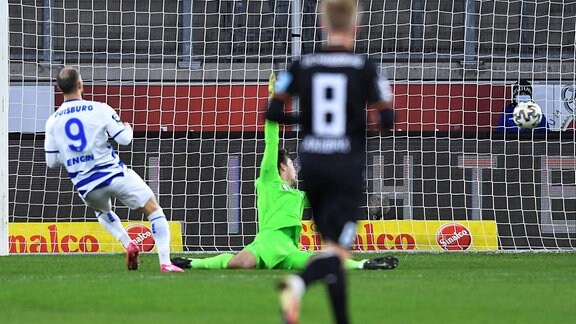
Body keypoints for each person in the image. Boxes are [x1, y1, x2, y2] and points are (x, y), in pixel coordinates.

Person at [170, 73, 398, 272]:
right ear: (281, 166)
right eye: (291, 163)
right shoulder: (268, 179)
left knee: (323, 260)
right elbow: (272, 142)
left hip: (290, 250)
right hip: (267, 243)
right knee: (238, 264)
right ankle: (194, 262)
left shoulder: (298, 195)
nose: (295, 168)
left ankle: (365, 264)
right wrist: (274, 99)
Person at [265, 0, 395, 323]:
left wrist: (307, 121)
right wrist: (358, 127)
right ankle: (297, 284)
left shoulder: (301, 64)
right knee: (337, 253)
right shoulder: (366, 66)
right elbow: (388, 117)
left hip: (314, 166)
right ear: (356, 26)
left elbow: (273, 112)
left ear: (322, 25)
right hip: (345, 166)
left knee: (330, 249)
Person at [44, 67, 183, 273]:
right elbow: (124, 140)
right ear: (81, 85)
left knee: (102, 212)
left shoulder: (53, 121)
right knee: (153, 209)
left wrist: (72, 155)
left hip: (86, 186)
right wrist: (127, 128)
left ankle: (128, 244)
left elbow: (52, 162)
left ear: (59, 88)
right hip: (114, 174)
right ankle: (164, 262)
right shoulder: (100, 109)